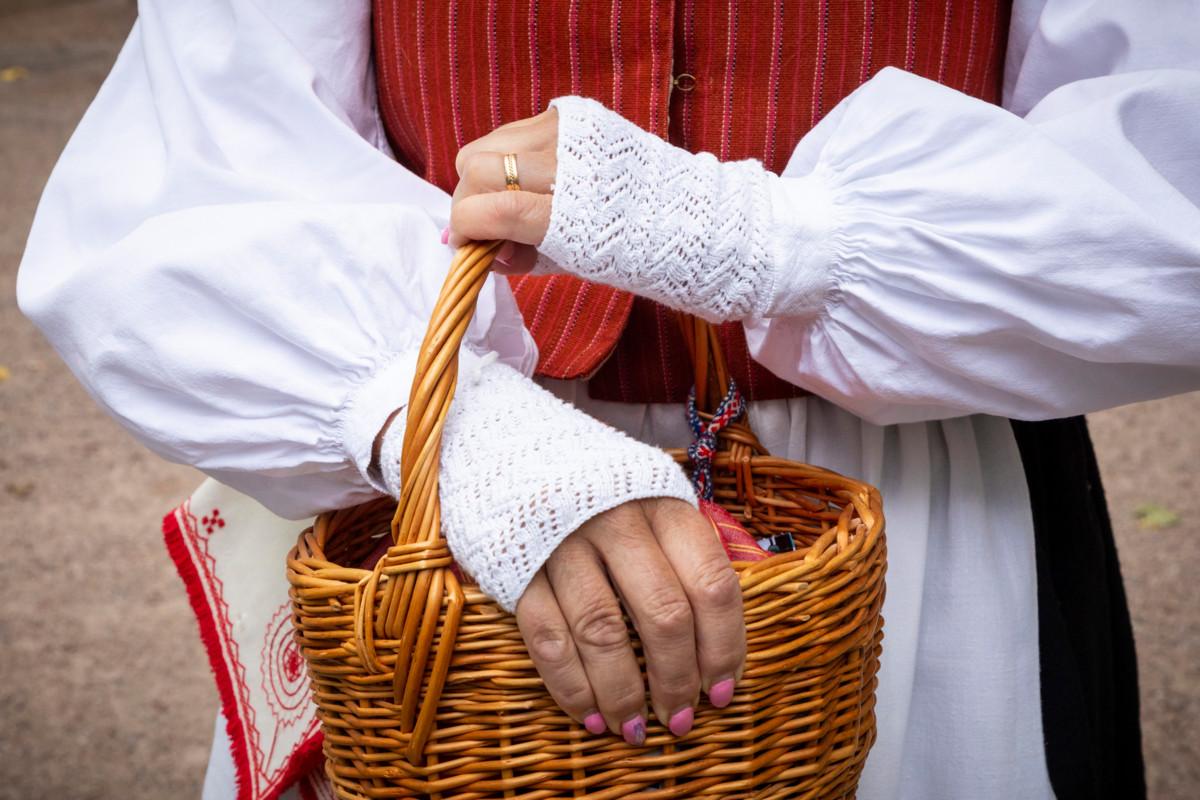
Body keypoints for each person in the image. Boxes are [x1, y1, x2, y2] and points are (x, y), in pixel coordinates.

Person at [16, 0, 1200, 797]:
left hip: (902, 506)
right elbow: (199, 146)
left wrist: (756, 238)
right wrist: (464, 432)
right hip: (444, 498)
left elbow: (1169, 152)